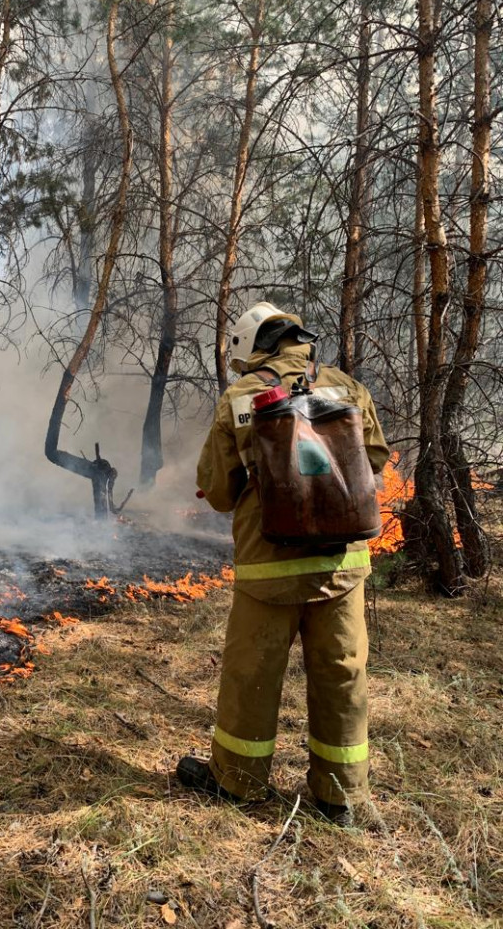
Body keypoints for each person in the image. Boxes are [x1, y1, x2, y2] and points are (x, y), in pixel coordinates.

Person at [178, 302, 389, 825]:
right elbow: (375, 461)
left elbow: (220, 492)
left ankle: (238, 782)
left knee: (252, 674)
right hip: (341, 564)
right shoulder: (348, 388)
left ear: (251, 346)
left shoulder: (241, 397)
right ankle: (341, 796)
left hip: (268, 569)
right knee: (342, 673)